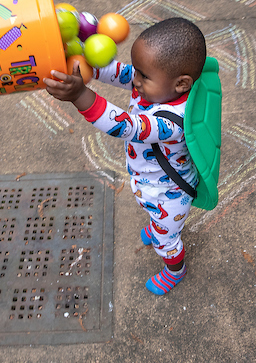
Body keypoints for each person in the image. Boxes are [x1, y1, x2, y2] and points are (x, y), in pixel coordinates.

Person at [44, 17, 207, 295]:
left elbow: (125, 125)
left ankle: (175, 270)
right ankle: (157, 224)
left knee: (165, 242)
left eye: (143, 75)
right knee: (154, 218)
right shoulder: (159, 85)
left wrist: (80, 94)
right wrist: (83, 60)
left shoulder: (173, 121)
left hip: (168, 193)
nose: (136, 79)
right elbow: (118, 72)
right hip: (149, 183)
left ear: (181, 84)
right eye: (138, 71)